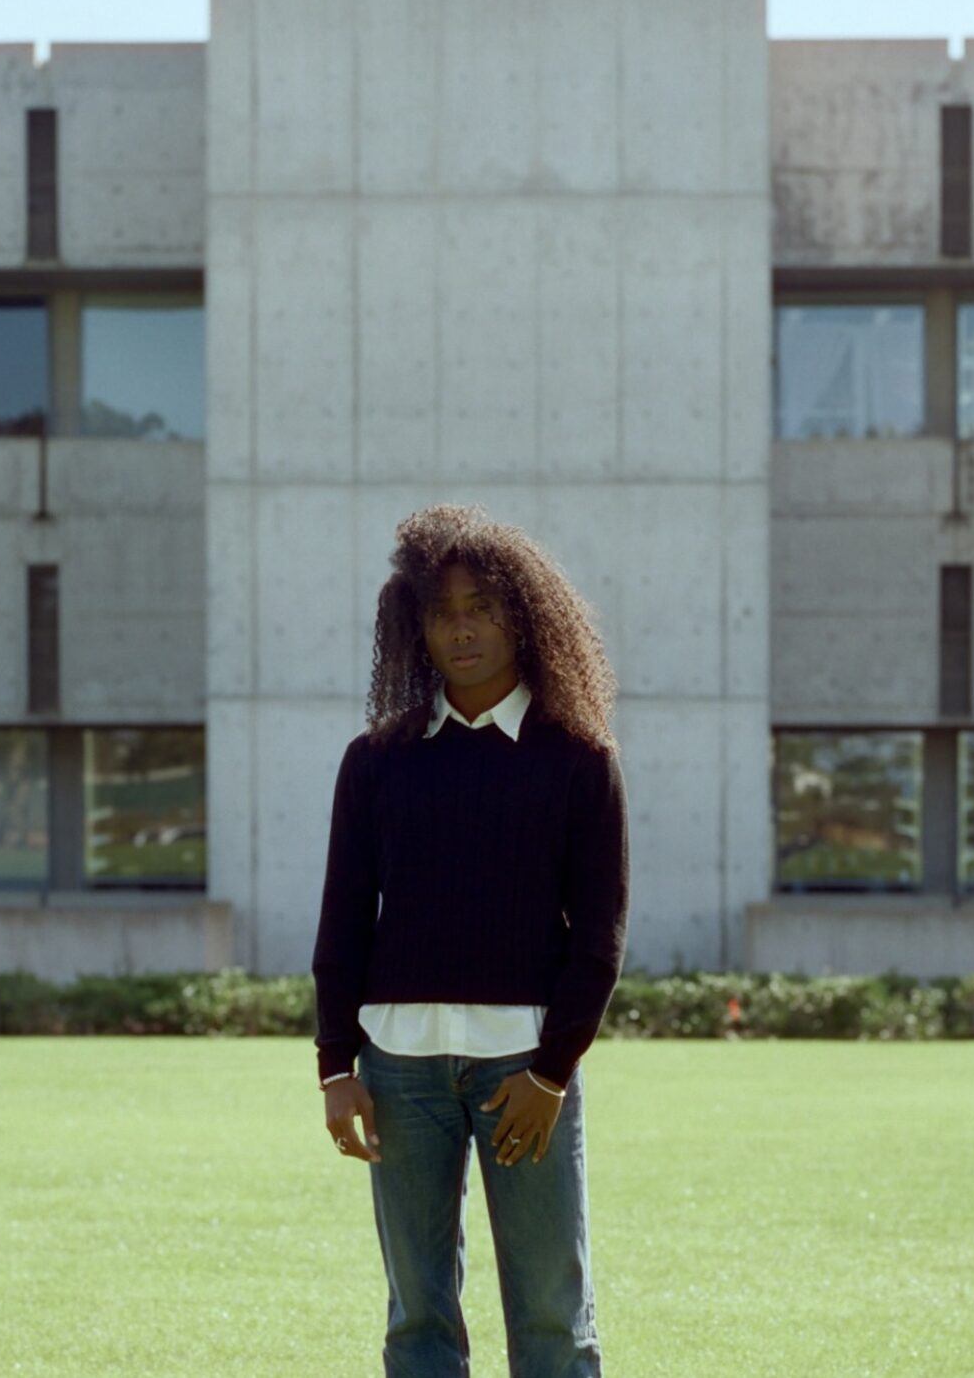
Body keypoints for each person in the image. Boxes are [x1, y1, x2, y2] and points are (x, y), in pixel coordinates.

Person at [311, 501, 630, 1378]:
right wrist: (336, 1067)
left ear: (522, 618)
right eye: (442, 611)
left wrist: (551, 1072)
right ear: (414, 627)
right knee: (417, 1316)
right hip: (398, 1072)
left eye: (482, 607)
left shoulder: (579, 758)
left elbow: (598, 937)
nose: (461, 628)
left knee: (554, 1316)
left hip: (523, 1072)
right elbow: (343, 920)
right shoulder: (375, 760)